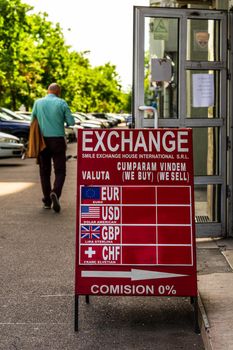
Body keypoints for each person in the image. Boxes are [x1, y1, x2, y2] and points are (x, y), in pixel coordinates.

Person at [31, 83, 75, 213]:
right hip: (57, 140)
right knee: (60, 170)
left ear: (48, 90)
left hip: (42, 141)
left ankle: (47, 201)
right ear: (58, 92)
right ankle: (55, 192)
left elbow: (32, 120)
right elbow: (71, 122)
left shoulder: (38, 103)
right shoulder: (62, 103)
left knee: (44, 172)